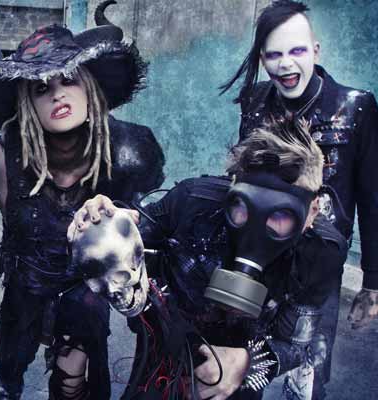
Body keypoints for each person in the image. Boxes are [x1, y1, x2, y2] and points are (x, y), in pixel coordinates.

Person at [0, 2, 165, 399]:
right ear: (27, 103)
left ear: (90, 87)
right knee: (10, 363)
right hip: (25, 283)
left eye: (68, 80)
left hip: (84, 290)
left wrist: (122, 221)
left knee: (73, 382)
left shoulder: (128, 151)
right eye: (41, 88)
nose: (57, 95)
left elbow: (147, 227)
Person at [69, 117, 348, 399]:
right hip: (167, 342)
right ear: (233, 188)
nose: (257, 228)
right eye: (245, 206)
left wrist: (247, 363)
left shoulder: (320, 252)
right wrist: (104, 219)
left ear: (312, 212)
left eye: (281, 215)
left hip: (241, 361)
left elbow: (296, 344)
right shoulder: (192, 202)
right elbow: (129, 233)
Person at [219, 1, 378, 397]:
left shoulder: (355, 106)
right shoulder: (255, 100)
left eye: (297, 51)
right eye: (274, 54)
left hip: (317, 266)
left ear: (315, 51)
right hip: (258, 259)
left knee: (305, 380)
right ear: (262, 58)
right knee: (238, 369)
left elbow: (372, 197)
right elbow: (241, 176)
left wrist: (373, 282)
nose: (286, 64)